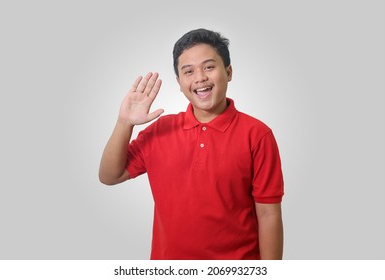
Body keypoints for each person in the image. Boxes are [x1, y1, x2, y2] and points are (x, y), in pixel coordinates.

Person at [99, 28, 284, 260]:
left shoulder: (257, 135)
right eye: (188, 71)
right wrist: (124, 123)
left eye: (209, 67)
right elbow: (109, 176)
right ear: (179, 82)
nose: (200, 77)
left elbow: (268, 215)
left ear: (228, 72)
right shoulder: (161, 130)